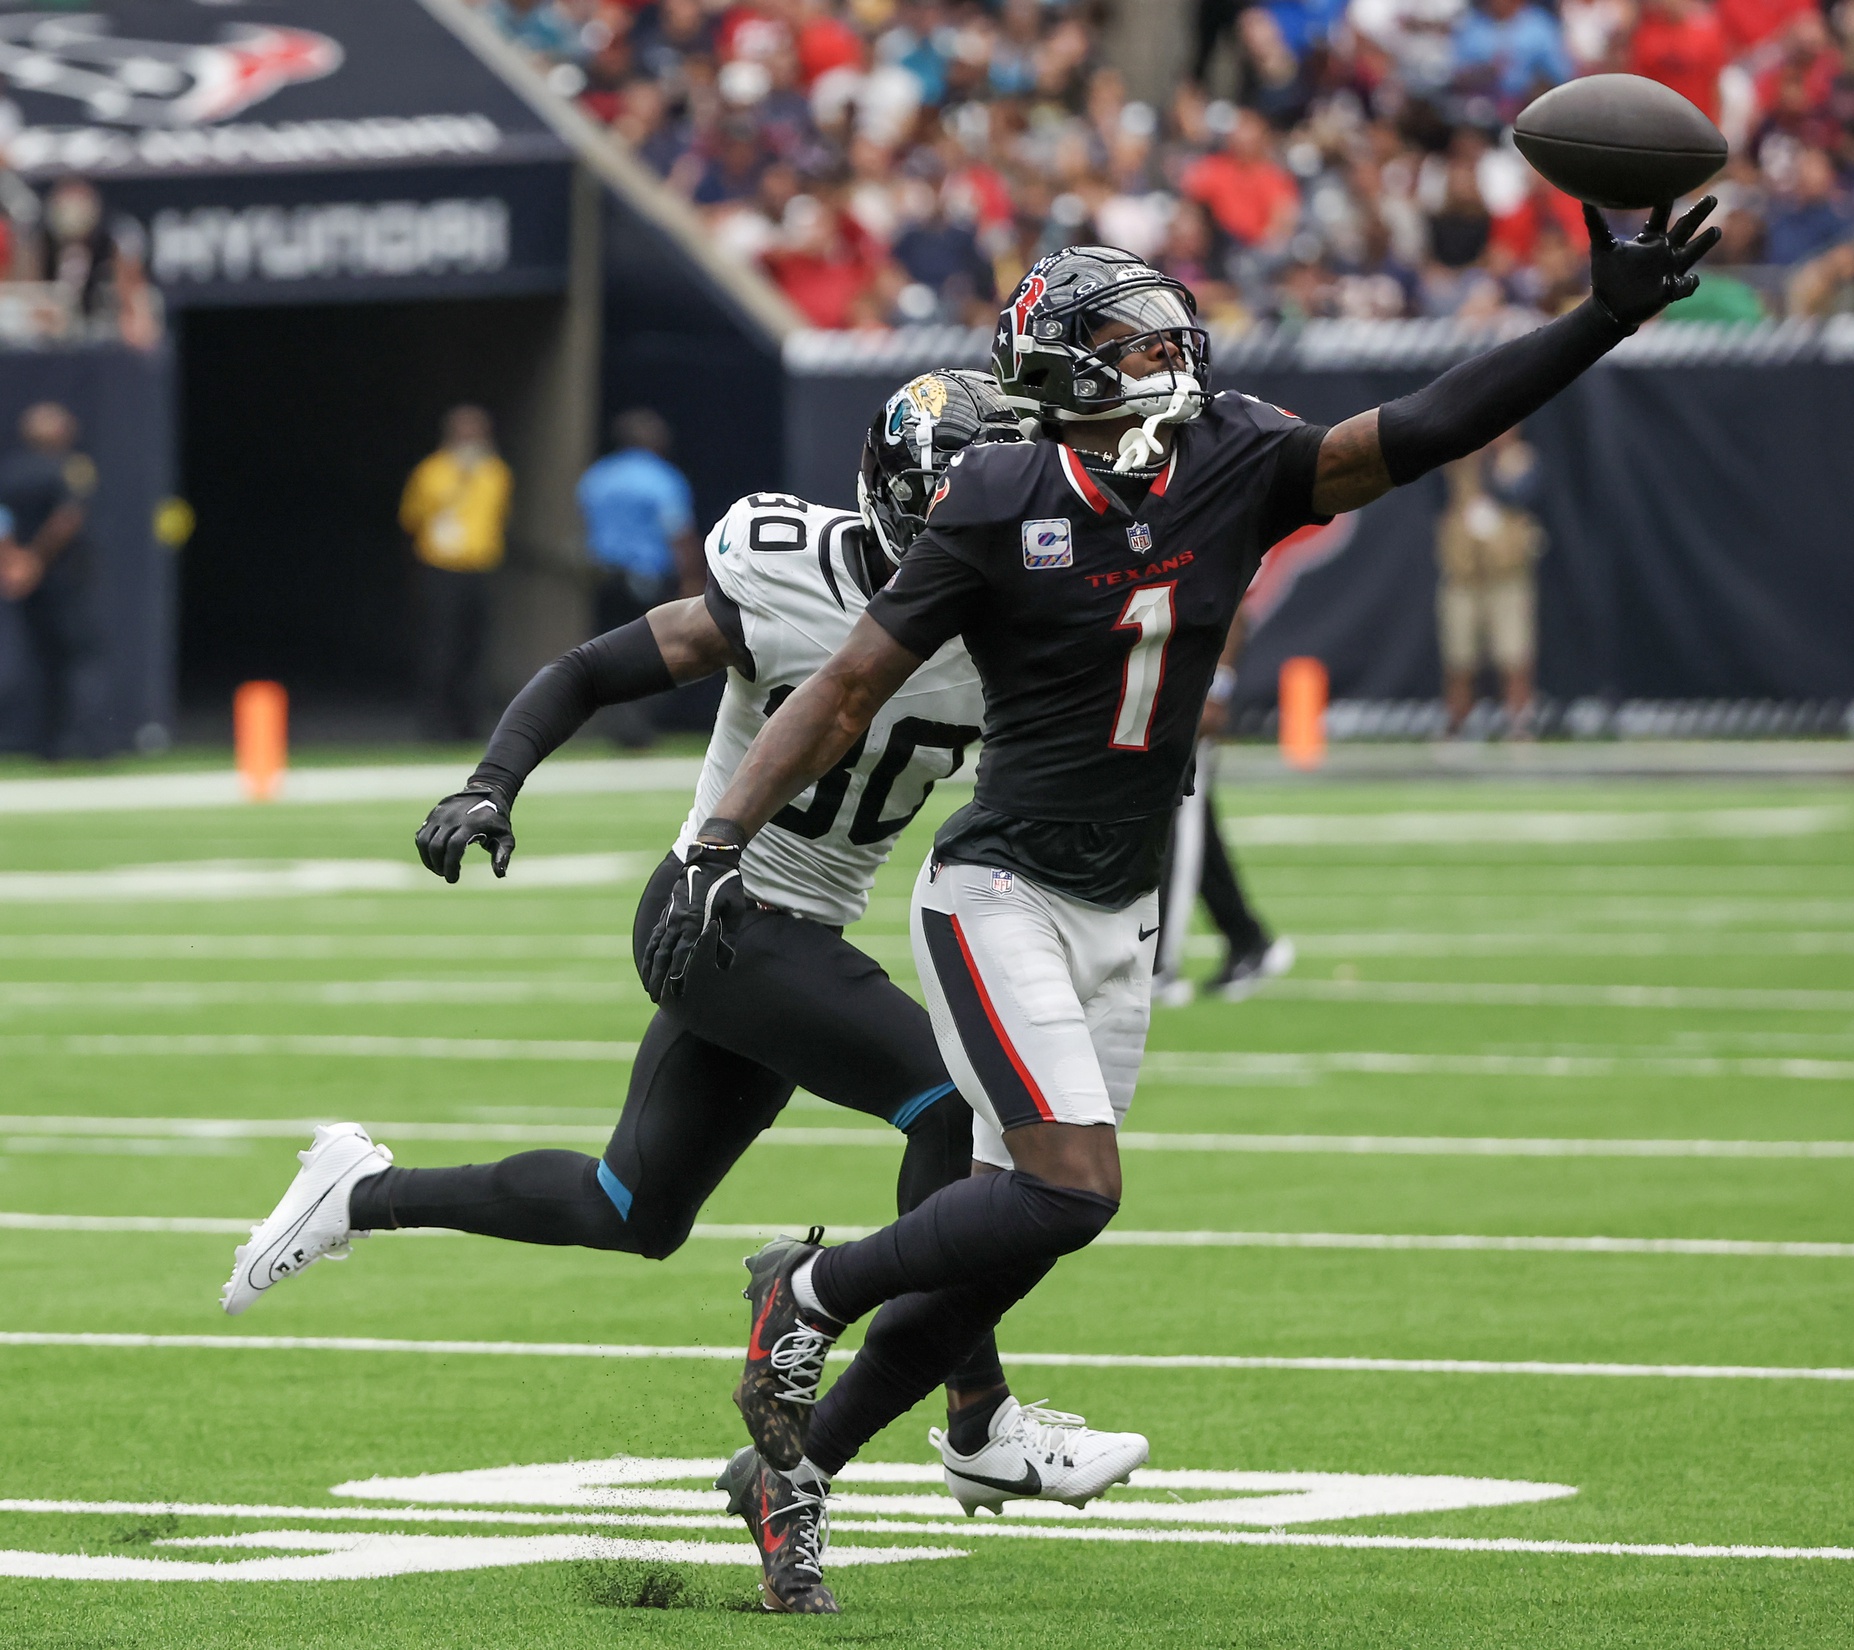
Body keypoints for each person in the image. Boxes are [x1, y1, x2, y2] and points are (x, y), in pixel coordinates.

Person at [644, 213, 1719, 1610]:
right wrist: (719, 837)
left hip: (1122, 900)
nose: (1169, 352)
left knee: (1024, 1225)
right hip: (997, 889)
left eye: (1166, 330)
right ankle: (807, 1289)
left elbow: (1428, 423)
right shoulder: (991, 500)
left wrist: (1599, 317)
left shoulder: (1234, 457)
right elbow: (842, 687)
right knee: (1066, 1185)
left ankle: (801, 1463)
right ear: (1062, 366)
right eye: (1133, 339)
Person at [220, 370, 1147, 1615]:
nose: (979, 535)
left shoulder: (1005, 631)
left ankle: (359, 1194)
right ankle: (972, 1418)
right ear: (893, 502)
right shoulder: (792, 574)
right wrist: (493, 782)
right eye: (955, 510)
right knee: (954, 1109)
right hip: (715, 913)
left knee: (630, 1207)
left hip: (791, 938)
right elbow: (596, 670)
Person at [1152, 610, 1295, 1006]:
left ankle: (1159, 962)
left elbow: (1233, 605)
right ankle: (1247, 939)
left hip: (1185, 688)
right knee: (1191, 824)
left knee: (1180, 817)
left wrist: (1218, 687)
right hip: (1151, 687)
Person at [575, 409, 700, 747]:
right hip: (645, 578)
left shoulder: (596, 477)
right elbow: (679, 533)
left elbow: (588, 523)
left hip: (604, 576)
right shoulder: (661, 478)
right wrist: (691, 579)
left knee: (608, 650)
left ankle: (620, 723)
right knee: (654, 651)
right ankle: (636, 728)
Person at [399, 406, 513, 741]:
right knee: (440, 646)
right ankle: (434, 723)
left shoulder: (495, 472)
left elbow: (498, 515)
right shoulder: (431, 472)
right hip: (440, 568)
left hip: (478, 568)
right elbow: (412, 517)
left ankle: (469, 724)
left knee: (474, 648)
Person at [0, 402, 102, 759]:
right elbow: (67, 518)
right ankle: (81, 741)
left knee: (41, 659)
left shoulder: (9, 470)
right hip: (63, 578)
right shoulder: (71, 467)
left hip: (24, 581)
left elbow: (3, 522)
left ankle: (45, 743)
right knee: (79, 657)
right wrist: (35, 560)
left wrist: (13, 562)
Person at [1435, 427, 1545, 735]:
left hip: (1506, 574)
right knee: (1459, 657)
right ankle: (1457, 724)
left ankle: (1519, 724)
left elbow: (1521, 492)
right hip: (1465, 574)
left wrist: (1497, 465)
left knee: (1514, 655)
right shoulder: (1462, 459)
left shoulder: (1519, 459)